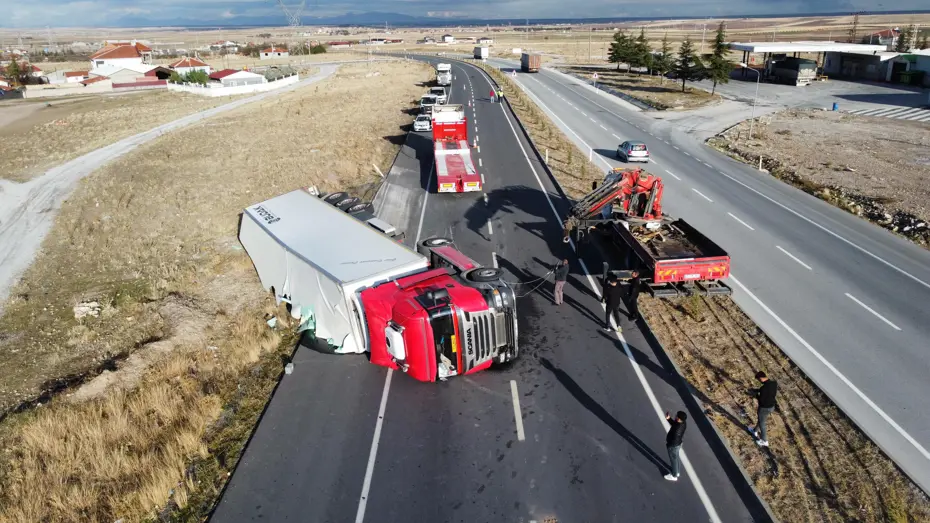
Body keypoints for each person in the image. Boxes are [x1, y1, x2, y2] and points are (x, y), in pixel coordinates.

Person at [749, 371, 778, 447]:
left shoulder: (763, 388)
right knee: (761, 419)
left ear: (761, 378)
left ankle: (764, 441)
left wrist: (755, 395)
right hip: (772, 406)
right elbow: (768, 390)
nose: (759, 381)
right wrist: (757, 390)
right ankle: (755, 431)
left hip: (764, 408)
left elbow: (761, 400)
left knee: (762, 423)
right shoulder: (774, 383)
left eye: (758, 380)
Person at [664, 410, 687, 481]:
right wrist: (669, 419)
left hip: (673, 446)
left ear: (679, 418)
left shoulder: (677, 430)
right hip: (678, 444)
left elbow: (673, 437)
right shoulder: (683, 423)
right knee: (676, 458)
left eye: (676, 416)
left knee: (673, 460)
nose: (675, 416)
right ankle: (677, 472)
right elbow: (674, 424)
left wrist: (669, 444)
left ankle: (674, 476)